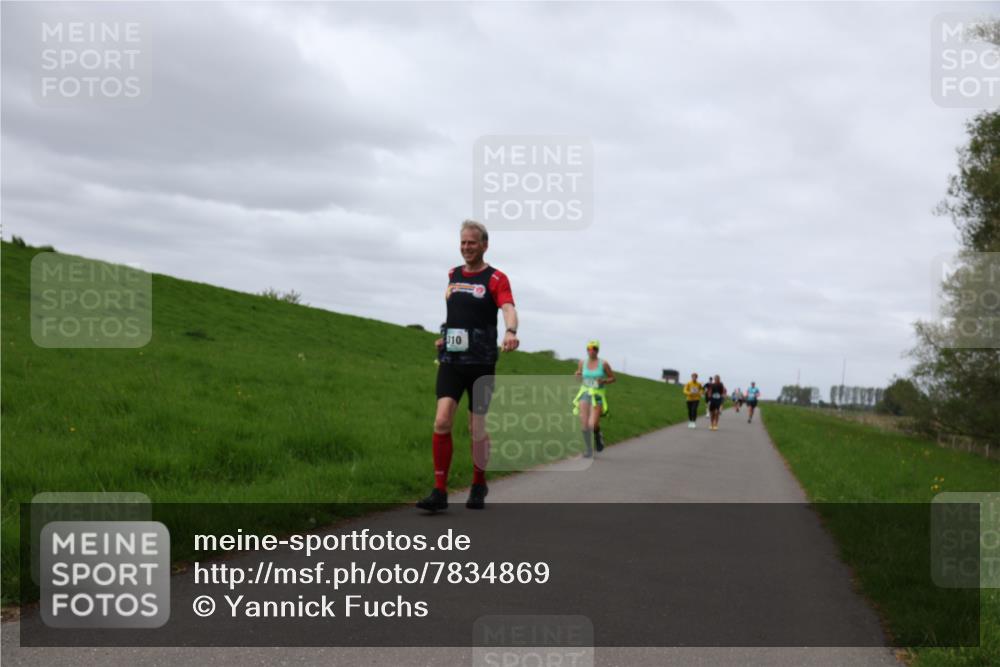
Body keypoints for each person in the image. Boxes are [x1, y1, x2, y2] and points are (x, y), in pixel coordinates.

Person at [416, 221, 519, 513]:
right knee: (442, 421)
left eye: (471, 242)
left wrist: (510, 331)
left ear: (484, 245)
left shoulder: (496, 278)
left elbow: (508, 307)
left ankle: (478, 483)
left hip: (481, 363)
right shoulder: (453, 274)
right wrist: (446, 335)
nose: (466, 247)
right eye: (462, 242)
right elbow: (458, 314)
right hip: (452, 360)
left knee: (476, 427)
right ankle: (439, 491)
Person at [573, 340, 616, 457]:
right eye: (589, 348)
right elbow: (579, 376)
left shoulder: (604, 364)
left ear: (598, 350)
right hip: (585, 392)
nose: (591, 351)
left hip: (597, 394)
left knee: (593, 424)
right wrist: (577, 375)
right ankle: (588, 450)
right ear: (587, 349)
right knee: (584, 423)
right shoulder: (582, 362)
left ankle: (597, 434)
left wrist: (604, 381)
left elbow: (613, 378)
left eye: (594, 348)